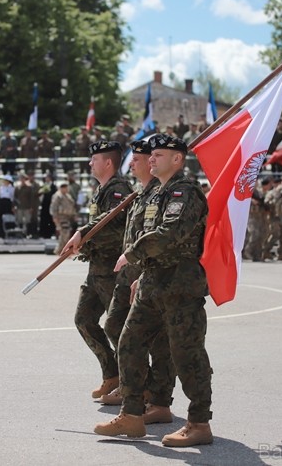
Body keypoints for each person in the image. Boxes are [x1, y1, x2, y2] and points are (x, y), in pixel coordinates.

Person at [94, 134, 213, 447]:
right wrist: (141, 274)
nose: (151, 160)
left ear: (177, 159)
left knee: (186, 353)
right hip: (152, 282)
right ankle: (131, 415)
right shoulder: (157, 192)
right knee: (129, 342)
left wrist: (132, 253)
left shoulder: (183, 191)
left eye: (159, 155)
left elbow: (169, 234)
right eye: (152, 155)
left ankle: (199, 422)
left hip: (180, 283)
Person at [99, 140, 175, 423]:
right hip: (130, 275)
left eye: (139, 159)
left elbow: (159, 241)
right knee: (115, 325)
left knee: (156, 341)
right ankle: (139, 386)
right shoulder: (142, 194)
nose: (132, 163)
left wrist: (143, 274)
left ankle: (153, 396)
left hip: (147, 274)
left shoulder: (161, 194)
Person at [62, 141, 132, 399]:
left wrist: (83, 235)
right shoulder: (101, 189)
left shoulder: (119, 189)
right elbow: (98, 225)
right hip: (96, 270)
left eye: (95, 159)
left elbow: (113, 227)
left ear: (108, 163)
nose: (90, 163)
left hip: (113, 271)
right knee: (84, 320)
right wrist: (83, 243)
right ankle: (111, 374)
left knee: (119, 328)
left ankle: (134, 384)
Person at [50, 183, 76, 255]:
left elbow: (71, 206)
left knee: (65, 233)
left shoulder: (67, 196)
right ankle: (60, 250)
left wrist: (74, 215)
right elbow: (54, 207)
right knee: (64, 232)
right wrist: (55, 217)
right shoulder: (58, 196)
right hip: (60, 217)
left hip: (67, 217)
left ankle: (62, 250)